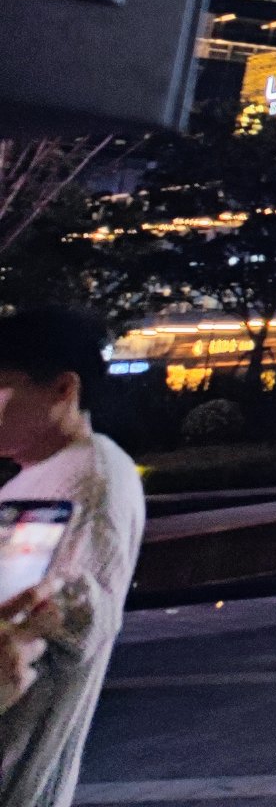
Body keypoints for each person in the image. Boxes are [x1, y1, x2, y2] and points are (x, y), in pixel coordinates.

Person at [0, 310, 144, 807]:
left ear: (63, 388)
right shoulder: (35, 478)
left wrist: (57, 608)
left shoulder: (90, 478)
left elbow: (71, 625)